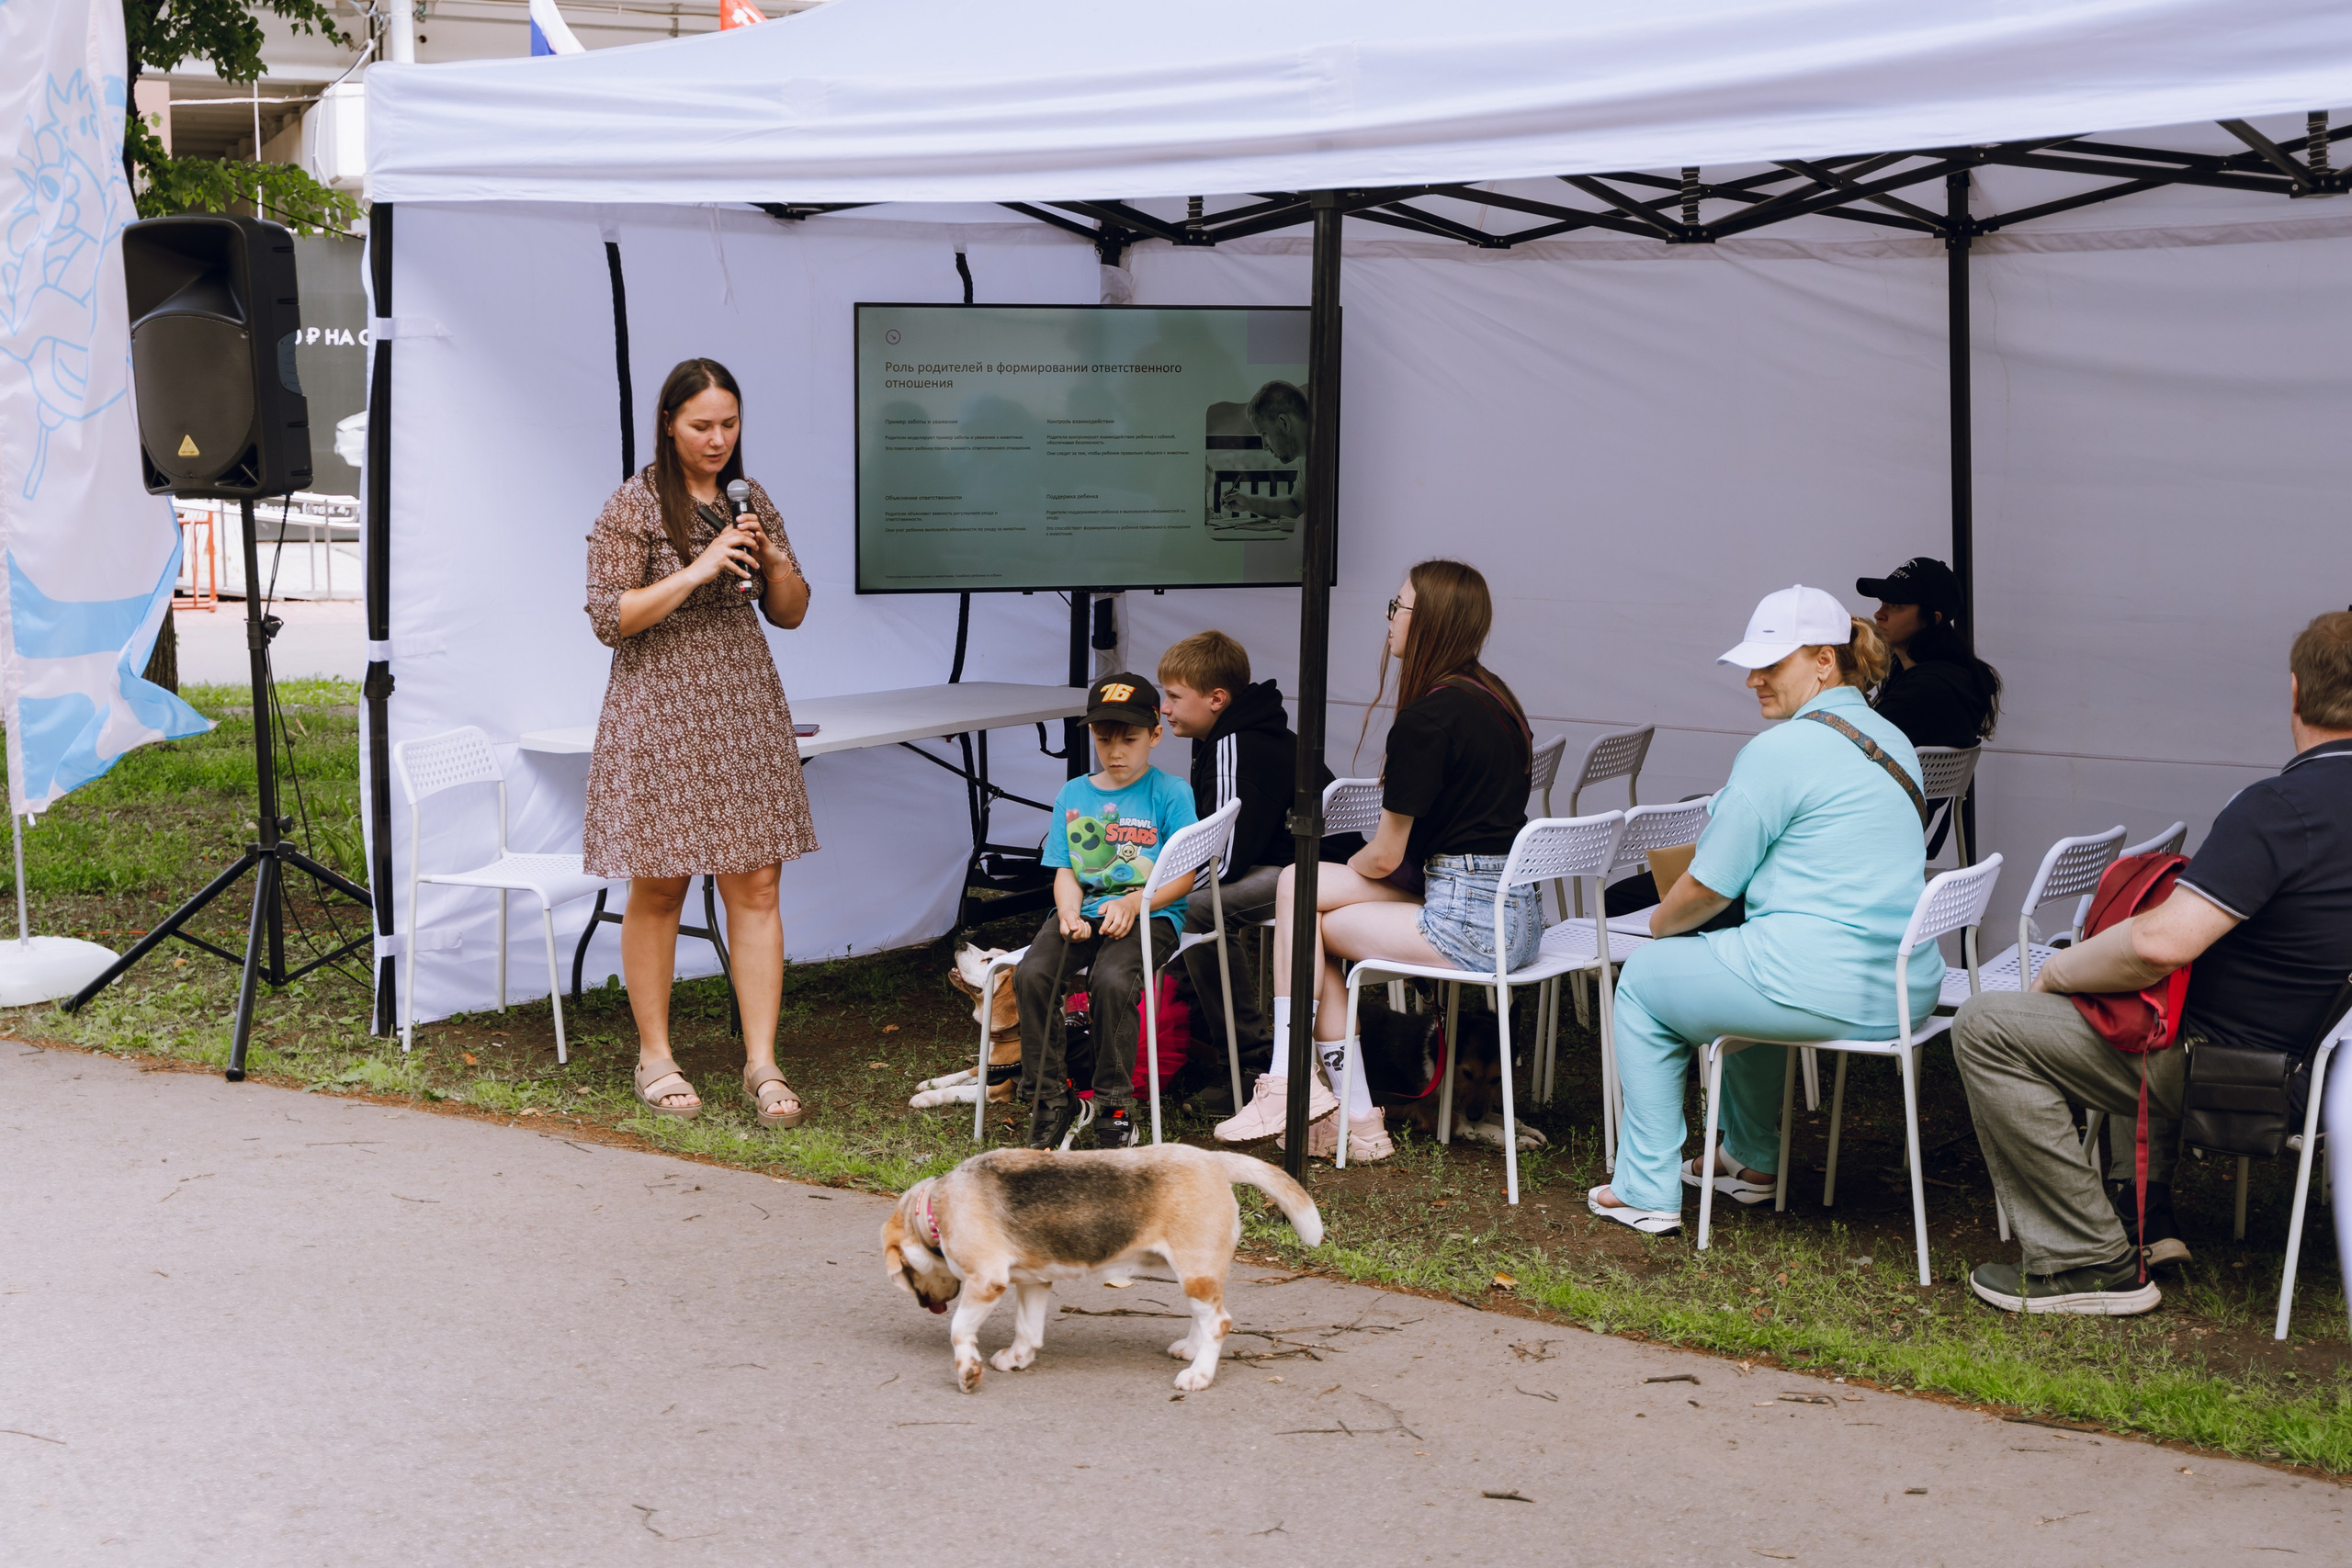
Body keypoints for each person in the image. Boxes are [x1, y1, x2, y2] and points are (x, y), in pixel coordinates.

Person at [1952, 611, 2352, 1315]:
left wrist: (2060, 972)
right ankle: (2147, 1210)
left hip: (2241, 1074)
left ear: (2294, 693)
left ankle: (2088, 1261)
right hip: (2326, 1065)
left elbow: (2159, 943)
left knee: (1990, 1025)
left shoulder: (2282, 808)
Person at [1589, 586, 1937, 1234]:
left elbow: (1707, 889)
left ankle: (1644, 1186)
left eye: (1771, 665)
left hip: (1817, 980)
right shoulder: (1893, 738)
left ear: (1824, 661)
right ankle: (1751, 1160)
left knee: (1642, 981)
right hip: (1902, 984)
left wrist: (1657, 927)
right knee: (1741, 959)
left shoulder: (1777, 753)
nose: (1753, 679)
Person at [1216, 558, 1538, 1162]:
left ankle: (1322, 1097)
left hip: (1466, 919)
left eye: (1399, 607)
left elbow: (1387, 855)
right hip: (1512, 910)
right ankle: (1342, 1111)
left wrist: (1354, 865)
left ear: (1431, 621)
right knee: (1298, 887)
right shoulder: (1498, 700)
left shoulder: (1426, 718)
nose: (1390, 620)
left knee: (1306, 910)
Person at [583, 357, 815, 1128]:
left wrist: (776, 563)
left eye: (730, 424)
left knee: (756, 884)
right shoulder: (635, 504)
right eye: (702, 426)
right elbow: (609, 617)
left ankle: (761, 1062)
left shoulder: (754, 500)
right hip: (661, 707)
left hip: (742, 699)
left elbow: (790, 612)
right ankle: (656, 1053)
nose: (719, 439)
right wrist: (700, 567)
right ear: (670, 425)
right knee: (661, 883)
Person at [1015, 672, 1200, 1152]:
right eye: (1104, 738)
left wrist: (1136, 903)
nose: (1116, 751)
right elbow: (1065, 870)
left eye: (1130, 739)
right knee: (1033, 973)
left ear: (1156, 735)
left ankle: (1115, 1107)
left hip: (1152, 914)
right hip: (1087, 910)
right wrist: (1069, 912)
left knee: (1112, 980)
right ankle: (1052, 1101)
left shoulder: (1171, 792)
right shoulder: (1073, 795)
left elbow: (1184, 877)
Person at [1157, 631, 1324, 1116]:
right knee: (1185, 901)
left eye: (1173, 696)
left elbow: (1224, 861)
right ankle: (1201, 1037)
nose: (1164, 709)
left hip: (1309, 873)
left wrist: (1159, 889)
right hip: (1287, 863)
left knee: (1197, 907)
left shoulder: (1236, 743)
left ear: (1216, 699)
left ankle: (1249, 1066)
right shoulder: (1229, 732)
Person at [1855, 556, 2002, 750]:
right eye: (1883, 602)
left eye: (1896, 605)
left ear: (1932, 619)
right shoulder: (1953, 676)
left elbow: (1854, 747)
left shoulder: (1923, 691)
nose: (1879, 614)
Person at [1219, 381, 1309, 525]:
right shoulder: (1306, 459)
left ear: (1284, 423)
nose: (1264, 446)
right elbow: (1296, 506)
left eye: (1265, 434)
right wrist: (1248, 503)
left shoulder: (1333, 455)